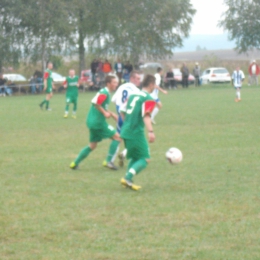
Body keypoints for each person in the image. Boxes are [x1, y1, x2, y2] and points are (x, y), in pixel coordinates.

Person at [70, 75, 120, 170]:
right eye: (114, 82)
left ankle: (74, 163)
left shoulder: (104, 92)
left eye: (116, 82)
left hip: (91, 121)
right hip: (98, 123)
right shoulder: (104, 93)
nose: (116, 84)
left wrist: (112, 114)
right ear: (108, 84)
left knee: (92, 145)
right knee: (117, 138)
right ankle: (108, 161)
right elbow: (96, 103)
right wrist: (105, 113)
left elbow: (99, 104)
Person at [120, 74, 157, 191]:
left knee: (136, 157)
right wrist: (151, 131)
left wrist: (128, 123)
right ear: (151, 85)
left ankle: (127, 179)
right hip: (136, 132)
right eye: (154, 85)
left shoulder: (133, 95)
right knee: (145, 159)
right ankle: (128, 178)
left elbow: (122, 111)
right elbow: (146, 116)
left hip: (125, 131)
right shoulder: (149, 98)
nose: (155, 87)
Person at [103, 70, 141, 168]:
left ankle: (110, 160)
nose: (139, 81)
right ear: (132, 78)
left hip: (121, 117)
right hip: (129, 118)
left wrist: (119, 111)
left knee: (118, 138)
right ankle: (125, 154)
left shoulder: (121, 87)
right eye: (137, 78)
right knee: (136, 139)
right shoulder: (136, 91)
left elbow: (114, 101)